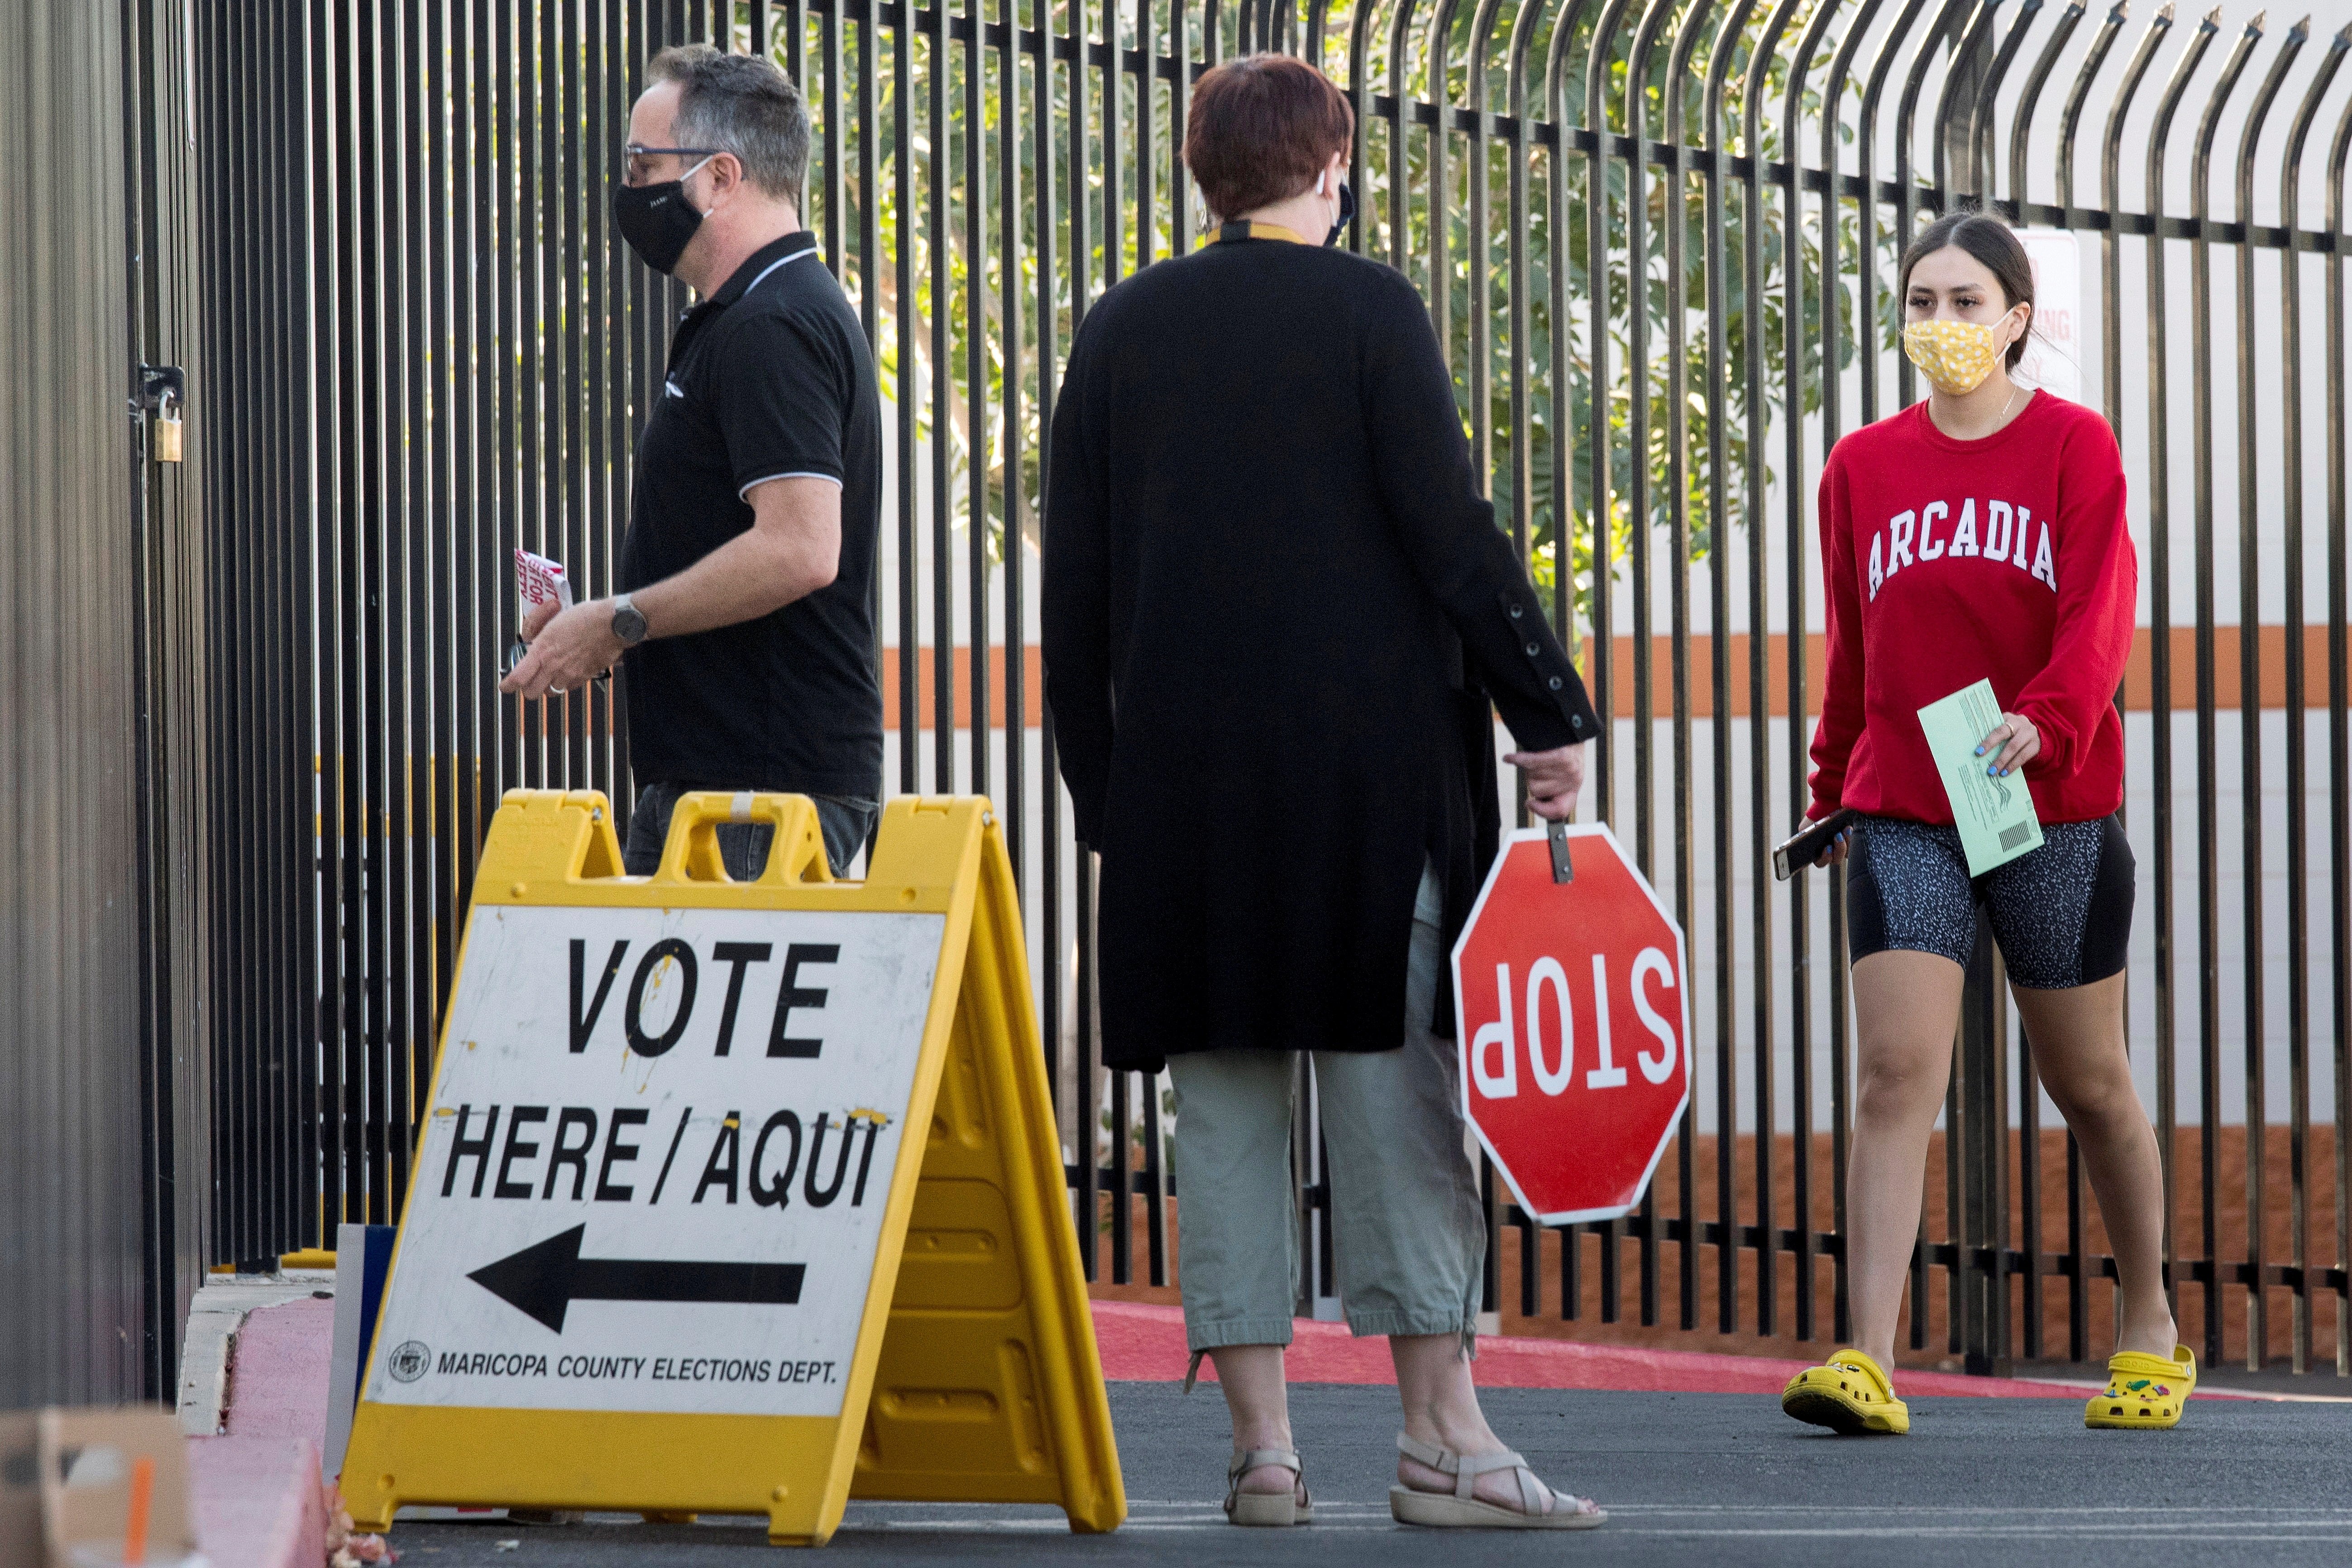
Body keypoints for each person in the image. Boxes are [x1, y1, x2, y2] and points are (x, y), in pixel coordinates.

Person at [1042, 54, 1606, 1529]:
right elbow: (1449, 532)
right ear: (1330, 165)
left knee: (1219, 1111)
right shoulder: (1371, 311)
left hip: (1184, 802)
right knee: (1392, 1098)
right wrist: (1546, 710)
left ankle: (1264, 1451)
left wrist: (1105, 802)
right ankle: (1442, 1441)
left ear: (1201, 176)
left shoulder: (1119, 330)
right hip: (1363, 791)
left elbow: (1074, 590)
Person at [1787, 209, 2189, 1434]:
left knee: (2090, 1082)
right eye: (1921, 302)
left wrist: (2049, 715)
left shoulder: (2072, 446)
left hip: (2047, 799)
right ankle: (1864, 1358)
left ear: (2016, 319)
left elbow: (2098, 606)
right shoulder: (1858, 466)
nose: (1942, 325)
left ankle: (2150, 1326)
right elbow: (1853, 645)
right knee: (1894, 1071)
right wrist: (1829, 791)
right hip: (1904, 801)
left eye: (1966, 303)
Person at [501, 44, 882, 879]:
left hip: (758, 797)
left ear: (718, 178)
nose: (629, 188)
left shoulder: (770, 327)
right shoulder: (748, 315)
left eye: (643, 163)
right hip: (723, 787)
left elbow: (800, 548)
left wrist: (619, 619)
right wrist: (602, 630)